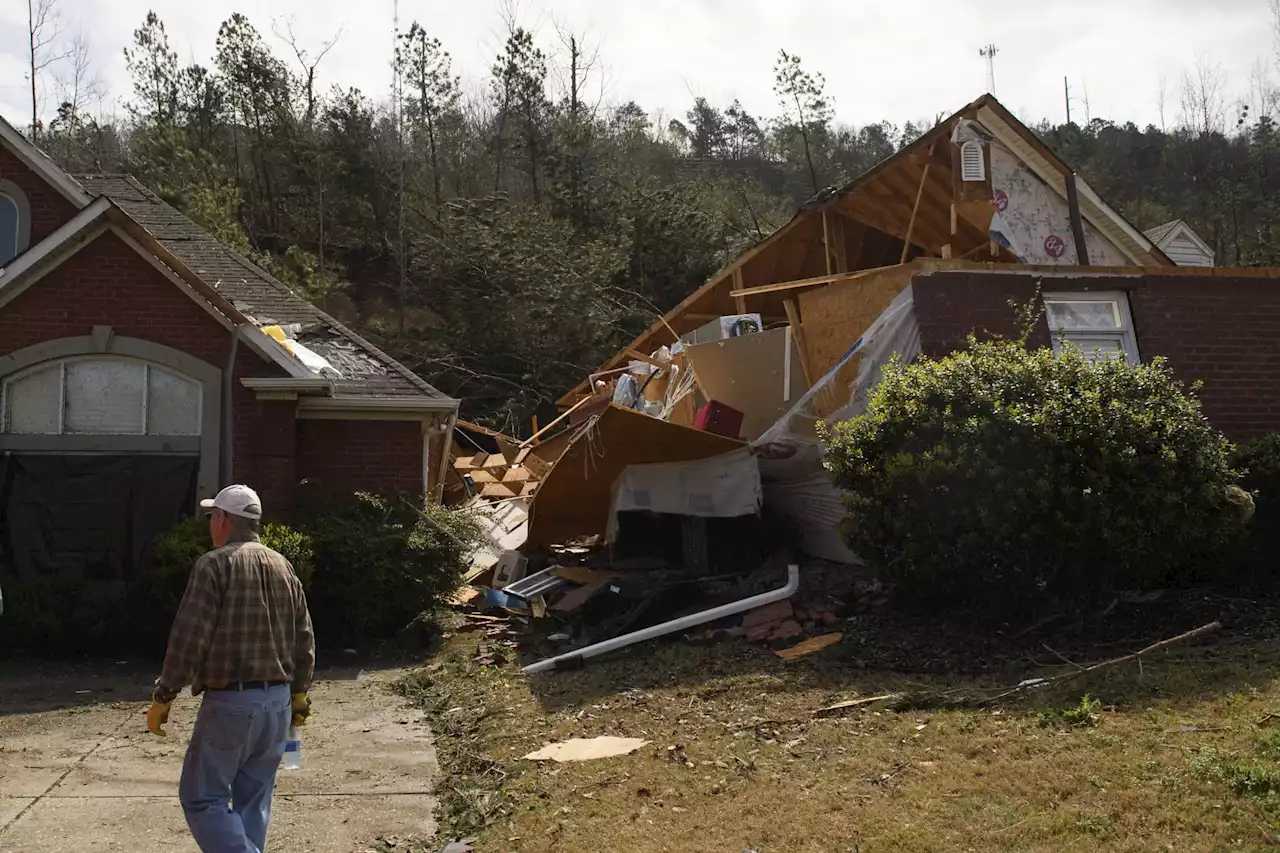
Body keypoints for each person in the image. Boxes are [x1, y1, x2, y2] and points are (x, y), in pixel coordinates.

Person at [147, 484, 316, 853]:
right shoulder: (283, 566)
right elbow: (304, 637)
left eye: (213, 516)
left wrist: (165, 693)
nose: (211, 523)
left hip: (231, 704)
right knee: (253, 801)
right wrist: (300, 692)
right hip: (278, 704)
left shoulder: (214, 565)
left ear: (224, 520)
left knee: (201, 797)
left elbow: (189, 637)